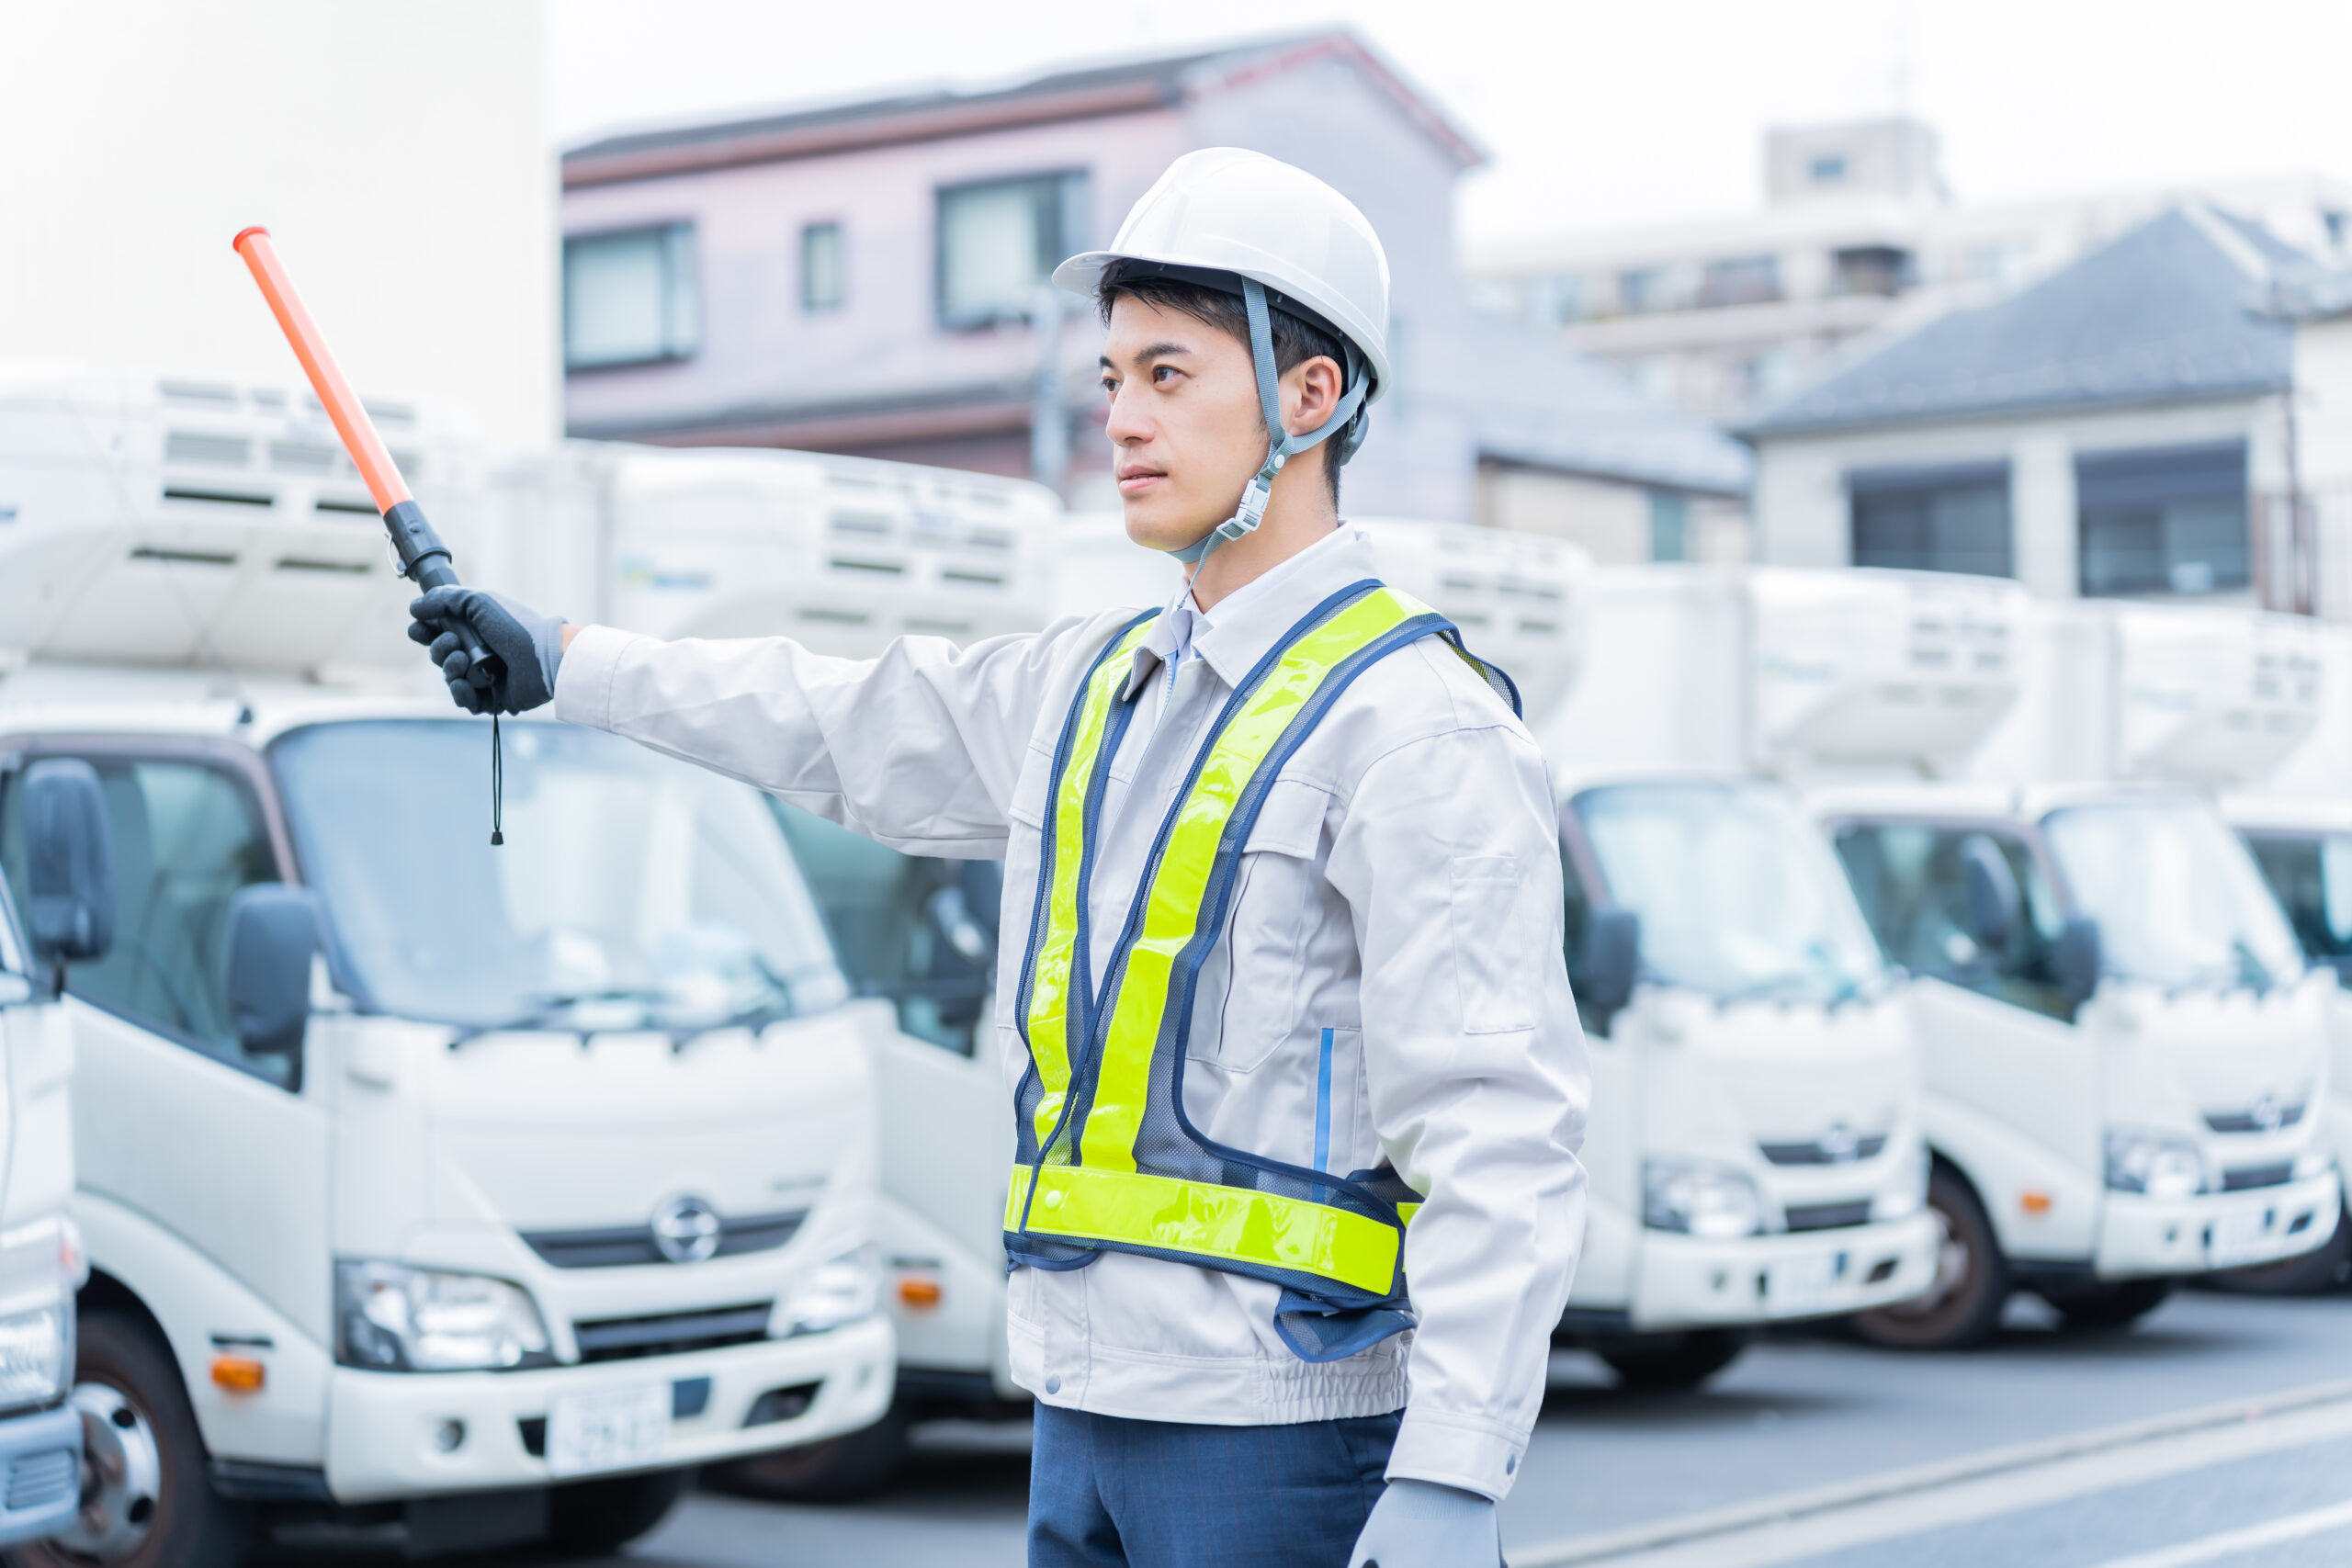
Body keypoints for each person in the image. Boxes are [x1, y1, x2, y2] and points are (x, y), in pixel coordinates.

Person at [413, 147, 1588, 1568]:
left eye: (1169, 374)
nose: (1123, 419)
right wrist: (563, 665)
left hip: (1287, 1435)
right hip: (1078, 1412)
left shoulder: (1416, 728)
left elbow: (1500, 1128)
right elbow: (831, 717)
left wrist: (1456, 1474)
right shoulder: (1094, 688)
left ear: (1310, 395)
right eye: (1112, 381)